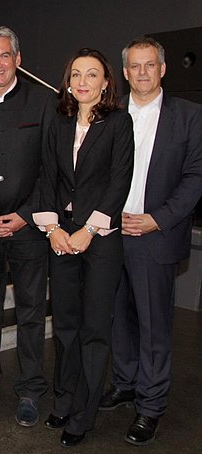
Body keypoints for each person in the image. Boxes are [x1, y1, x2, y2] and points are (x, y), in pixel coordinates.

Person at [99, 36, 202, 446]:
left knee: (154, 325)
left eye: (150, 65)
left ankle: (151, 404)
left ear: (163, 69)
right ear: (124, 73)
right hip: (110, 233)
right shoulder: (110, 114)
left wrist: (157, 220)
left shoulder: (190, 116)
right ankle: (125, 383)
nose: (142, 72)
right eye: (134, 66)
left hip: (154, 235)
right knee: (118, 320)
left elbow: (196, 177)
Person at [33, 48, 134, 448]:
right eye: (76, 74)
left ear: (106, 82)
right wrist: (52, 228)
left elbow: (119, 182)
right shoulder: (58, 120)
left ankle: (83, 413)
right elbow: (46, 175)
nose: (83, 81)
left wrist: (89, 230)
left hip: (100, 239)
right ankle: (64, 399)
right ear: (68, 80)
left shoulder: (118, 123)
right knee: (66, 327)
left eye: (92, 75)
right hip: (62, 234)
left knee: (94, 331)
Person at [0, 25, 56, 427]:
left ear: (18, 59)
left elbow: (53, 169)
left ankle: (31, 389)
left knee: (31, 311)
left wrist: (25, 214)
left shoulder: (44, 103)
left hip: (29, 227)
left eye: (4, 56)